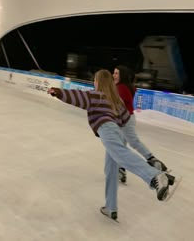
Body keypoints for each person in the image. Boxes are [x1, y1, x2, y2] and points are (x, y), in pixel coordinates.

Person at [47, 69, 175, 221]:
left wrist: (57, 92)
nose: (94, 82)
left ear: (98, 82)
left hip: (107, 129)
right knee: (111, 171)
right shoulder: (116, 100)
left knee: (122, 155)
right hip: (116, 131)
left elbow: (76, 96)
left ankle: (155, 177)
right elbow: (126, 120)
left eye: (95, 80)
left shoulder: (95, 95)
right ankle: (110, 207)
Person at [113, 65, 167, 184]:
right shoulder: (125, 86)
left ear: (122, 75)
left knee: (132, 142)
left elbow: (119, 105)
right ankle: (120, 169)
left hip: (125, 120)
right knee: (120, 147)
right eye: (114, 73)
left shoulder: (121, 88)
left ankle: (152, 160)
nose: (114, 75)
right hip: (125, 119)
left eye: (116, 73)